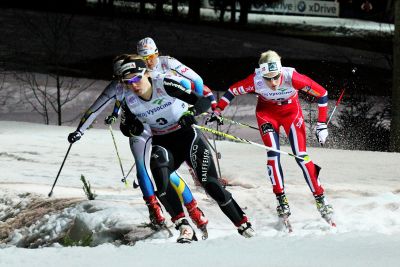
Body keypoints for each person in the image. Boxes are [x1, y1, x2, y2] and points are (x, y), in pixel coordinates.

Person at [118, 56, 255, 242]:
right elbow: (126, 127)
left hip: (188, 137)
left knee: (211, 185)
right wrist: (132, 128)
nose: (134, 85)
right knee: (162, 182)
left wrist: (191, 113)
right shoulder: (128, 100)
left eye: (136, 78)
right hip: (163, 141)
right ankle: (183, 227)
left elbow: (204, 101)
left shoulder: (164, 84)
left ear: (147, 73)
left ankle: (243, 225)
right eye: (127, 82)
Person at [67, 54, 208, 232]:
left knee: (160, 170)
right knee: (147, 167)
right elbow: (95, 109)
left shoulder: (150, 77)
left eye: (126, 76)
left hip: (157, 126)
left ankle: (186, 210)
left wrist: (189, 108)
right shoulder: (121, 85)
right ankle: (164, 211)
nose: (125, 82)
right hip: (140, 127)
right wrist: (79, 131)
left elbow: (186, 84)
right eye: (120, 78)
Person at [209, 50, 334, 225]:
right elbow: (232, 91)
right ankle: (281, 199)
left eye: (276, 77)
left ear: (280, 71)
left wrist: (322, 124)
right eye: (268, 78)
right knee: (273, 156)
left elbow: (322, 93)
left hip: (291, 112)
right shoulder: (255, 79)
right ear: (261, 74)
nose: (273, 83)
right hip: (267, 114)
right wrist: (218, 110)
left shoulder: (292, 77)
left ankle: (320, 198)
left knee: (301, 156)